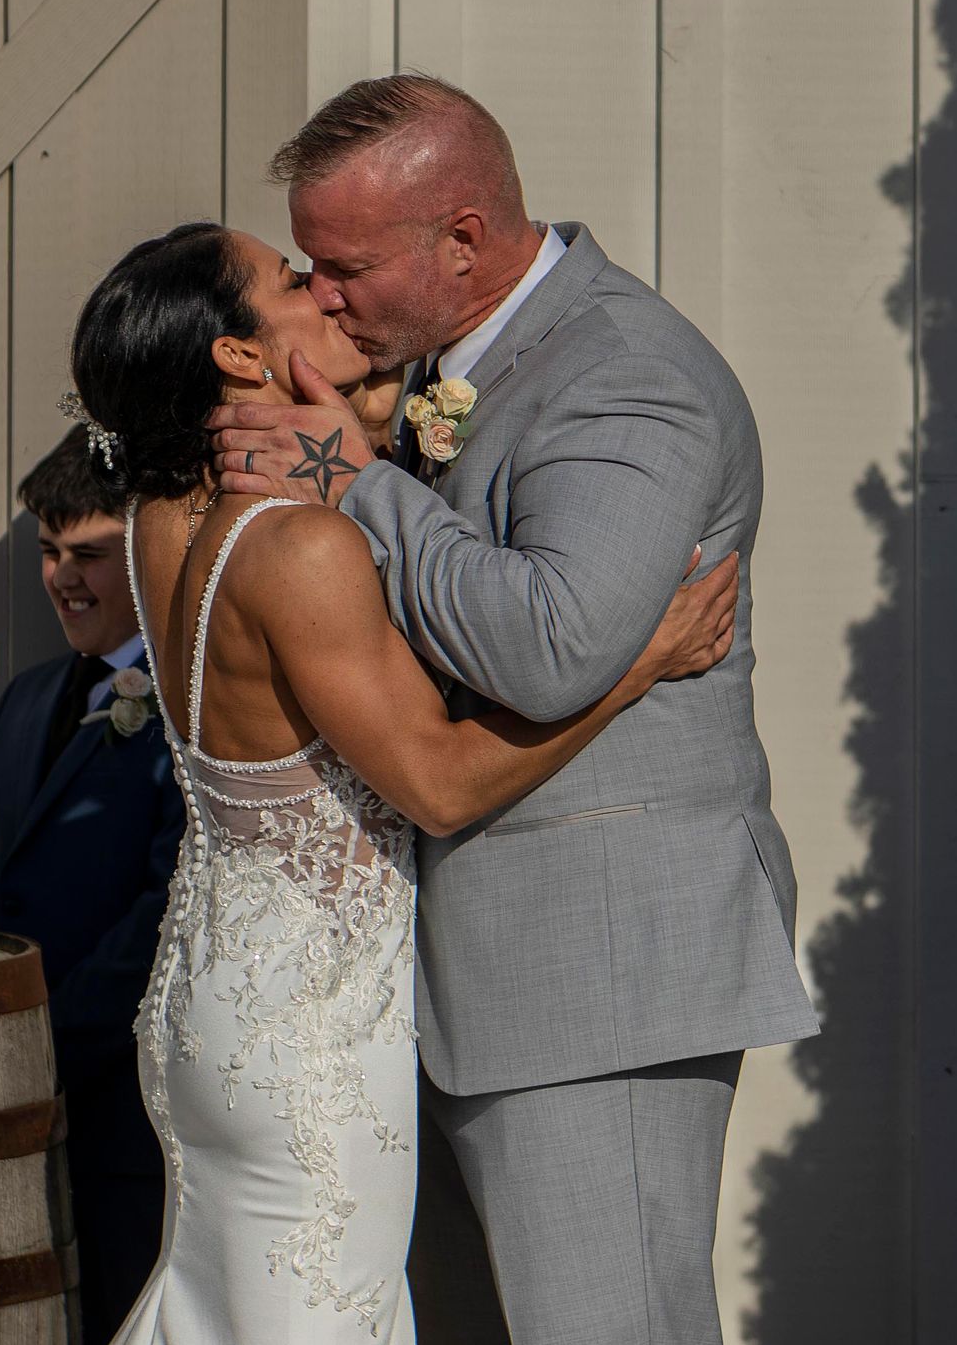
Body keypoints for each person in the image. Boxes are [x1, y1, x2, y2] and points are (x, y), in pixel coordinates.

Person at [208, 74, 821, 1345]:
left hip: (597, 969)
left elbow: (547, 648)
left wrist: (357, 484)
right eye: (310, 266)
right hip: (460, 983)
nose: (323, 295)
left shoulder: (626, 376)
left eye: (345, 267)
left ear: (464, 238)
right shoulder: (452, 368)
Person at [65, 220, 739, 1345]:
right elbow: (437, 782)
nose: (324, 294)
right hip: (311, 1042)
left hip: (202, 1002)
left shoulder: (159, 522)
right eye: (291, 280)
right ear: (239, 353)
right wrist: (634, 666)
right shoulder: (298, 547)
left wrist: (362, 433)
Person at [0, 428, 183, 1343]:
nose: (62, 576)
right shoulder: (24, 700)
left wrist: (50, 1036)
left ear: (143, 549)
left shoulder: (185, 701)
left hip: (124, 1109)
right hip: (16, 1107)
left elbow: (164, 904)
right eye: (47, 550)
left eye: (88, 554)